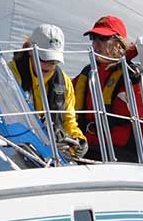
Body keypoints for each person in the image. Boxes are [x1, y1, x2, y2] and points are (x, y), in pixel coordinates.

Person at [71, 15, 143, 162]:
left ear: (119, 42)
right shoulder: (88, 73)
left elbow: (142, 115)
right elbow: (65, 94)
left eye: (102, 38)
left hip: (120, 153)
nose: (96, 43)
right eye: (93, 37)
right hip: (89, 147)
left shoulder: (131, 74)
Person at [9, 24, 86, 158]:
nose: (48, 65)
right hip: (15, 148)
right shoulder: (10, 75)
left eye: (54, 61)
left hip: (51, 153)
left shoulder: (65, 83)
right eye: (43, 58)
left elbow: (69, 121)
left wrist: (78, 139)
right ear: (30, 51)